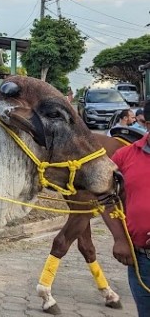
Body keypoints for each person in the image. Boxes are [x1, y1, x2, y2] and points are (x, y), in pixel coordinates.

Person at [106, 103, 150, 316]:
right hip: (143, 260)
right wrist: (119, 238)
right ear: (147, 124)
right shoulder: (124, 156)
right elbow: (104, 197)